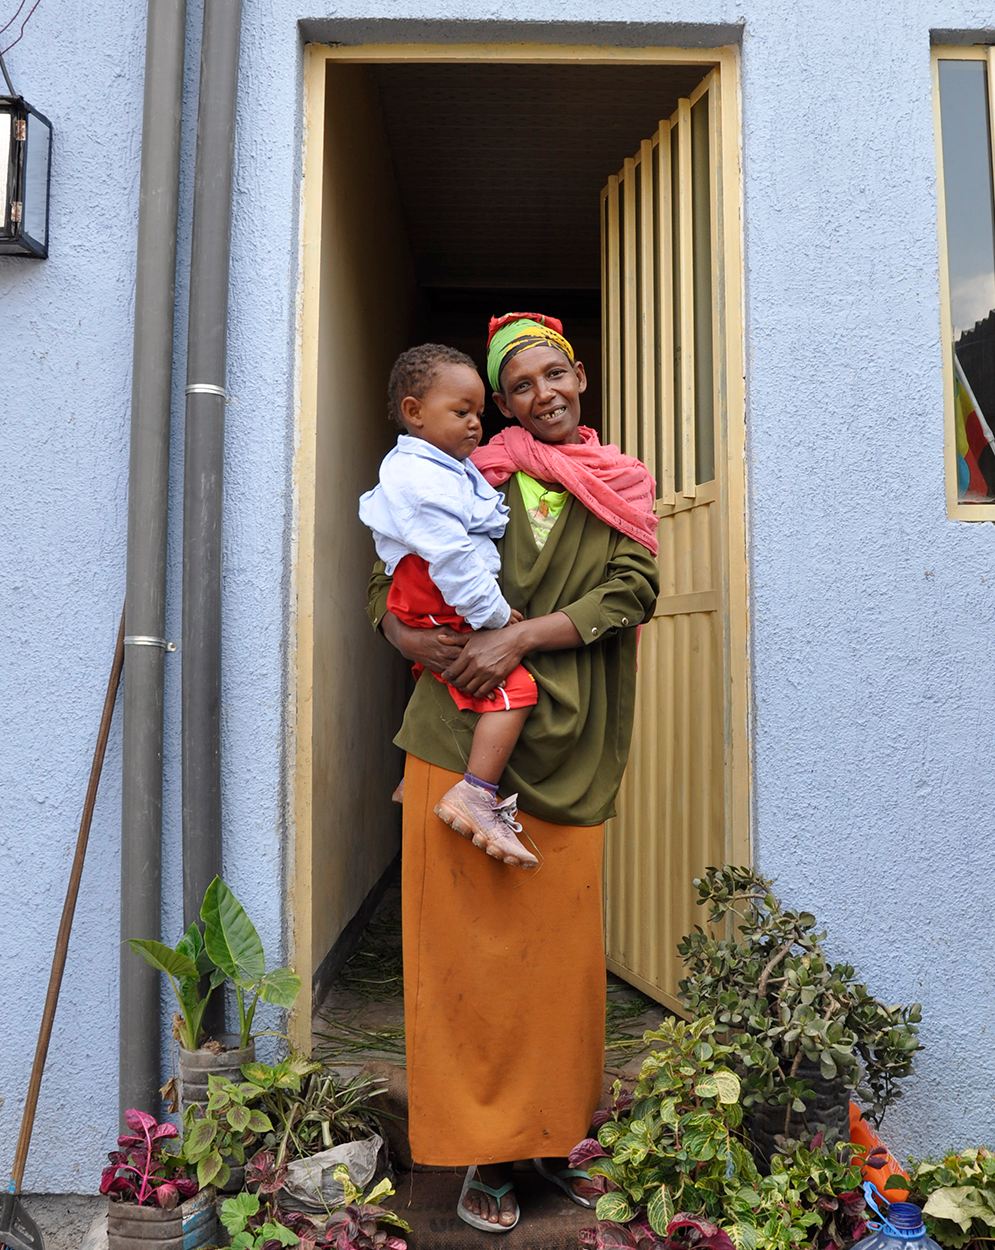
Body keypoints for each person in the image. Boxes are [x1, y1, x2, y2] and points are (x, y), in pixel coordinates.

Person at [368, 312, 659, 1232]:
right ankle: (477, 1155)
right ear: (501, 405)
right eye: (523, 386)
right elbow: (391, 580)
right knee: (462, 959)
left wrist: (516, 639)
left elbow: (633, 590)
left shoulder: (621, 487)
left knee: (555, 966)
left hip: (565, 747)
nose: (547, 396)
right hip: (455, 736)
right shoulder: (460, 471)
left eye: (555, 375)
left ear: (581, 374)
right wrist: (403, 630)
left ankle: (551, 1139)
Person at [359, 344, 538, 868]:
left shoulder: (442, 468)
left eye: (479, 412)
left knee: (442, 670)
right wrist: (499, 618)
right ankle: (476, 793)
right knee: (516, 691)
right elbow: (455, 559)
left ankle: (411, 783)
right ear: (414, 412)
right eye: (462, 412)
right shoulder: (422, 479)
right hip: (436, 593)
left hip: (428, 595)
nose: (475, 424)